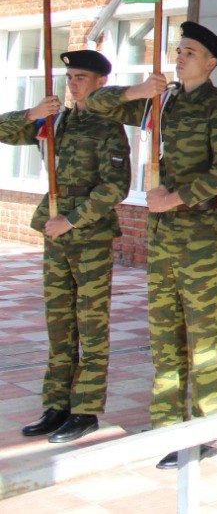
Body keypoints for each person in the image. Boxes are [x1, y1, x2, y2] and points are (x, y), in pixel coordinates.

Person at [87, 21, 217, 468]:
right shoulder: (162, 102)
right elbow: (95, 104)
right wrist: (139, 90)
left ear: (211, 63)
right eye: (179, 50)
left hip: (198, 237)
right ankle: (168, 423)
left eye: (189, 52)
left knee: (201, 333)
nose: (180, 57)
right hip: (162, 238)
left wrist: (175, 197)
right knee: (163, 332)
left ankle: (207, 428)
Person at [0, 50, 130, 443]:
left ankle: (85, 409)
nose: (73, 83)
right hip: (56, 234)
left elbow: (116, 186)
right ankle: (56, 404)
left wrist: (72, 219)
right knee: (59, 322)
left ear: (101, 82)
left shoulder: (108, 126)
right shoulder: (54, 121)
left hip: (88, 235)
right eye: (70, 76)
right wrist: (31, 113)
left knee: (90, 324)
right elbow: (2, 131)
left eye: (82, 77)